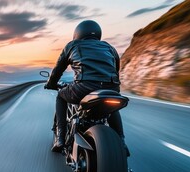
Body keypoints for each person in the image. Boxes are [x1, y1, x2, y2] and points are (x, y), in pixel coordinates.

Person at [44, 20, 129, 156]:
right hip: (112, 87)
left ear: (78, 33)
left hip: (84, 87)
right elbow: (116, 69)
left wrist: (51, 83)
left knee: (61, 96)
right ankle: (121, 142)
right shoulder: (110, 48)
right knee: (112, 107)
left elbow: (58, 70)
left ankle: (60, 137)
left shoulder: (72, 45)